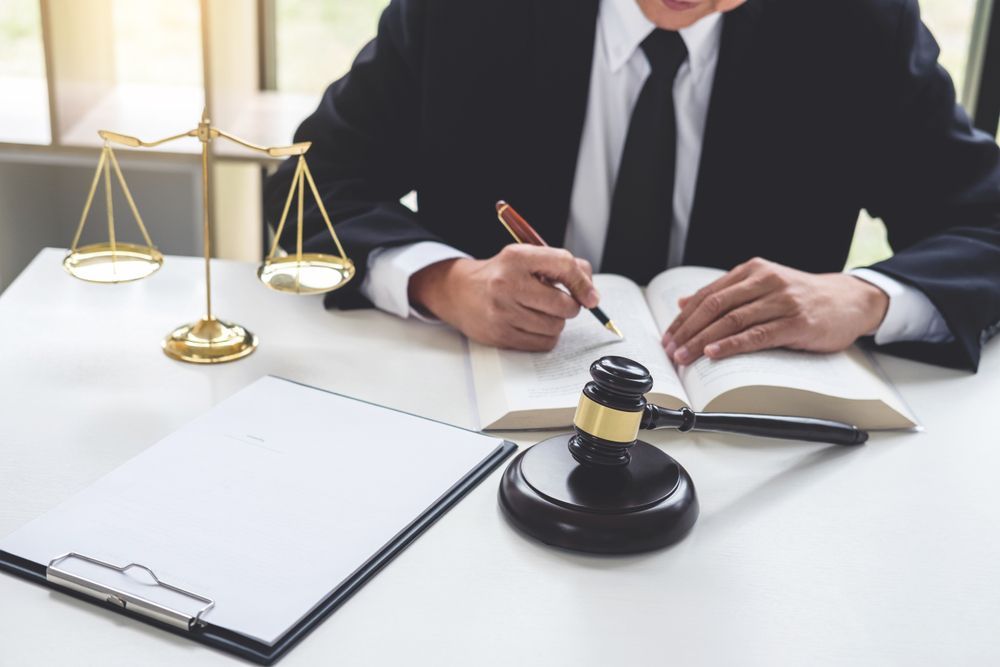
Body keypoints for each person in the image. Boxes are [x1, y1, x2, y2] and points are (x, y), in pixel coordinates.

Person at [264, 0, 1000, 371]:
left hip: (752, 451)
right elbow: (308, 183)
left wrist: (863, 297)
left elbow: (984, 222)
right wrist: (443, 281)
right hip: (479, 410)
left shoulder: (856, 23)